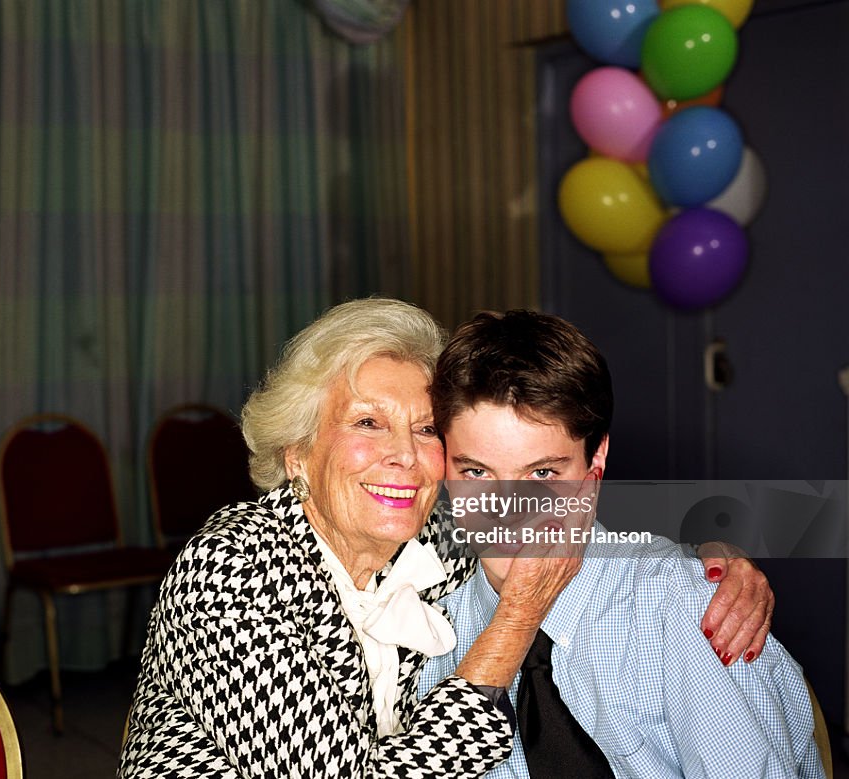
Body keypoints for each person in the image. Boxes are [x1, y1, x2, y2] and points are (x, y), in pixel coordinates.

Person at [118, 298, 774, 778]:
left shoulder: (432, 537)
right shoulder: (229, 566)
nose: (403, 455)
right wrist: (513, 623)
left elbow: (557, 515)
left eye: (427, 428)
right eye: (369, 422)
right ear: (296, 451)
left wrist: (701, 567)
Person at [420, 308, 822, 778]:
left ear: (597, 461)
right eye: (477, 473)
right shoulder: (427, 629)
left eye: (543, 473)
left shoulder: (675, 605)